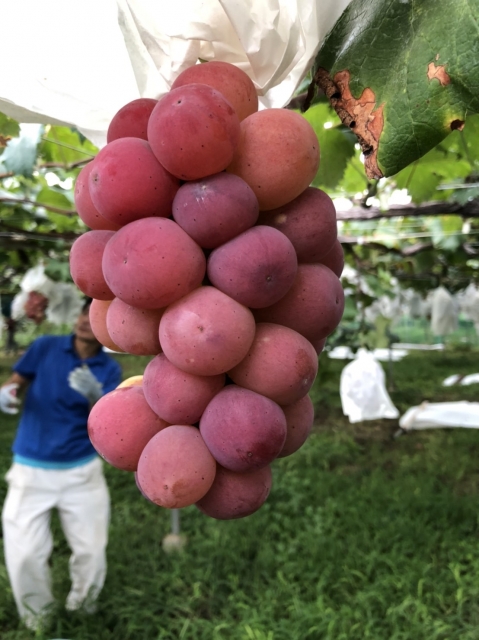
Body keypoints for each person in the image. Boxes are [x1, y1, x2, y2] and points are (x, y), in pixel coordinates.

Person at [0, 298, 122, 630]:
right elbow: (16, 381)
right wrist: (7, 393)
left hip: (81, 469)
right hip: (31, 467)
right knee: (24, 553)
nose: (86, 320)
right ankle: (38, 621)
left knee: (92, 550)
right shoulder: (45, 347)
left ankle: (83, 611)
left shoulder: (109, 370)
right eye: (86, 311)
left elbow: (114, 420)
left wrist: (96, 395)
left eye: (96, 317)